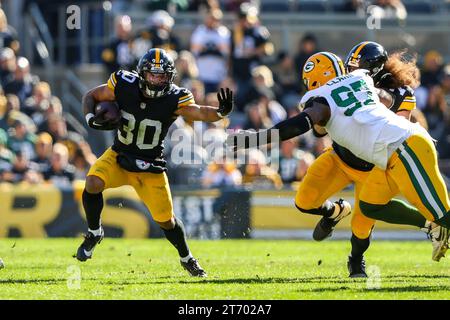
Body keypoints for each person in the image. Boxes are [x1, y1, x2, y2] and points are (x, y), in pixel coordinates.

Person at [229, 51, 450, 274]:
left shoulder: (323, 100)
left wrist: (254, 138)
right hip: (386, 152)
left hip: (402, 148)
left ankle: (427, 228)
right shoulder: (361, 79)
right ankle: (341, 213)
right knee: (370, 206)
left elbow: (298, 126)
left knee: (443, 216)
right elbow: (384, 100)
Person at [77, 48, 234, 277]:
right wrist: (91, 119)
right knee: (92, 182)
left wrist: (220, 112)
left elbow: (198, 112)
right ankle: (94, 232)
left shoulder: (175, 96)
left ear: (169, 77)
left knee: (166, 221)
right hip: (120, 155)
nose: (157, 79)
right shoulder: (123, 83)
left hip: (151, 166)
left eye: (162, 75)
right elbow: (90, 96)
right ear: (142, 73)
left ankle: (187, 258)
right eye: (153, 74)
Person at [190, 8, 231, 94]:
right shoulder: (199, 31)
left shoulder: (224, 32)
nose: (214, 21)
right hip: (202, 74)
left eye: (217, 19)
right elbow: (194, 49)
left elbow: (226, 51)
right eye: (212, 18)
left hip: (219, 75)